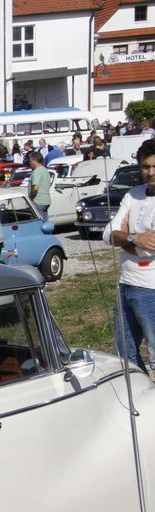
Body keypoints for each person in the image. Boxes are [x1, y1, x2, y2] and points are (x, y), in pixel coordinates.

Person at [104, 138, 155, 373]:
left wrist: (125, 235)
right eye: (146, 167)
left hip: (151, 288)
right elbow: (108, 234)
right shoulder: (133, 194)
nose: (150, 173)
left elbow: (149, 247)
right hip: (126, 283)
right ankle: (143, 403)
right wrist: (134, 238)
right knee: (125, 356)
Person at [28, 151, 51, 222]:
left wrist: (30, 198)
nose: (29, 163)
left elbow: (35, 188)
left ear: (35, 161)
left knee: (40, 224)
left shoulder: (37, 172)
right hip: (46, 200)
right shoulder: (45, 170)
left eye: (30, 161)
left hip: (38, 201)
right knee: (45, 224)